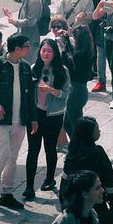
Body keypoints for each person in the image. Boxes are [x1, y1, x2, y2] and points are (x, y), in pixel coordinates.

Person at [0, 34, 38, 210]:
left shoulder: (26, 67)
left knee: (13, 157)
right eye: (26, 46)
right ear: (17, 49)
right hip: (2, 119)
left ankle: (7, 193)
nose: (29, 48)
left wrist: (33, 118)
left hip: (20, 119)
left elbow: (30, 96)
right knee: (2, 154)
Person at [23, 38, 70, 199]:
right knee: (33, 150)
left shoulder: (62, 70)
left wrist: (52, 90)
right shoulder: (33, 69)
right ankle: (29, 186)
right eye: (43, 50)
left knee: (50, 148)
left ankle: (50, 179)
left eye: (49, 50)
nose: (46, 53)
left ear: (55, 53)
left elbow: (65, 95)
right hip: (36, 115)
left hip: (54, 115)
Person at [63, 117, 113, 224]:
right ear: (89, 133)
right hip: (97, 203)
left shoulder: (72, 153)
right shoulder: (98, 153)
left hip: (76, 204)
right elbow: (109, 181)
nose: (99, 131)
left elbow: (65, 180)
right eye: (97, 129)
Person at [63, 24, 95, 137]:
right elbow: (74, 56)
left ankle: (78, 148)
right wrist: (67, 39)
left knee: (75, 126)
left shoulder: (80, 55)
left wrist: (63, 51)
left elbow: (69, 65)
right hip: (81, 91)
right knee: (67, 122)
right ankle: (75, 146)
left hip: (75, 92)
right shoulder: (87, 51)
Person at [4, 0, 43, 64]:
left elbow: (31, 21)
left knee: (28, 65)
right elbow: (22, 24)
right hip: (24, 40)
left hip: (31, 40)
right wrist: (12, 18)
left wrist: (15, 21)